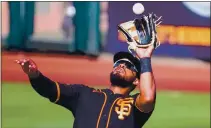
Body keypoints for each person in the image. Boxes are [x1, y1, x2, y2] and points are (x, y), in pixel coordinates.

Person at [15, 42, 156, 128]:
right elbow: (50, 89)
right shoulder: (83, 93)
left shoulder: (135, 105)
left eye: (128, 65)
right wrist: (34, 75)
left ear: (137, 81)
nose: (121, 65)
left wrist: (144, 58)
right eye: (118, 63)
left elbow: (148, 97)